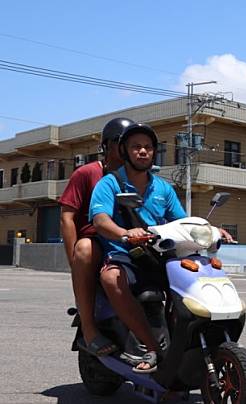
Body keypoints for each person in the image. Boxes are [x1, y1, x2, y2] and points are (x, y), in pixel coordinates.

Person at [89, 122, 187, 373]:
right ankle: (150, 345)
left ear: (154, 152)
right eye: (136, 147)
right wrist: (125, 233)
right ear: (124, 151)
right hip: (125, 254)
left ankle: (189, 341)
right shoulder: (110, 183)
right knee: (111, 277)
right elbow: (100, 221)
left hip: (158, 255)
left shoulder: (163, 188)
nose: (143, 151)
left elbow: (181, 221)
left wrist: (211, 229)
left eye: (148, 147)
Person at [60, 117, 133, 356]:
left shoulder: (139, 177)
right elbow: (67, 217)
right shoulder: (87, 173)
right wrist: (75, 260)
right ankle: (90, 331)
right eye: (120, 143)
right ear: (106, 146)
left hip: (128, 241)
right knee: (85, 249)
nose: (126, 149)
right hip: (96, 241)